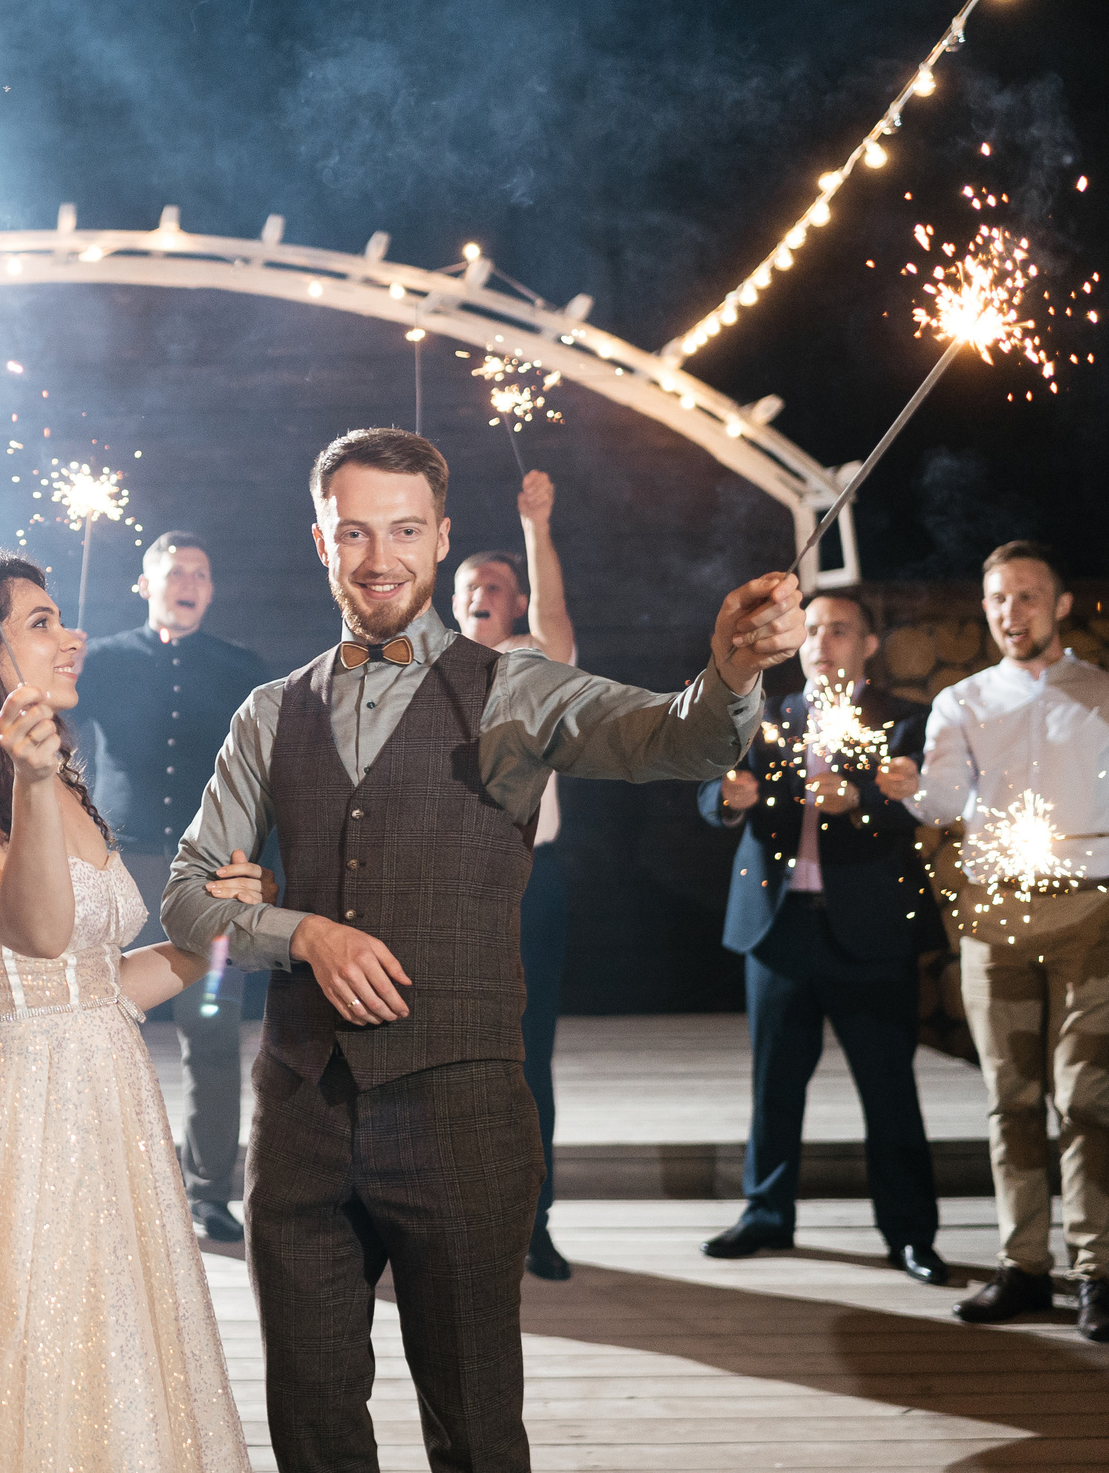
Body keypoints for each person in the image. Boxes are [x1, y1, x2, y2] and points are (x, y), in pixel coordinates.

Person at [164, 427, 800, 1473]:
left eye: (405, 531)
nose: (380, 558)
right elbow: (189, 895)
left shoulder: (514, 686)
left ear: (442, 536)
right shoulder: (269, 713)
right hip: (301, 1117)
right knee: (312, 1430)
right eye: (355, 532)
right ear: (320, 540)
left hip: (459, 1114)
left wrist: (731, 666)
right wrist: (302, 933)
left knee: (476, 1433)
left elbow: (674, 736)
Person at [0, 554, 251, 1472]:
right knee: (30, 1354)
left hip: (112, 1106)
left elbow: (95, 987)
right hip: (20, 1117)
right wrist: (33, 783)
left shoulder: (62, 785)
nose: (72, 636)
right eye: (39, 623)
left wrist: (215, 934)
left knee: (116, 1351)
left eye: (62, 618)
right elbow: (37, 931)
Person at [885, 540, 1109, 1340]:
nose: (1011, 612)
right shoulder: (963, 699)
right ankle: (1023, 1266)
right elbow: (945, 800)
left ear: (1060, 604)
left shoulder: (1101, 694)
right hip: (996, 916)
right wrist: (911, 790)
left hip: (1088, 912)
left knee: (1086, 1098)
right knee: (1009, 1097)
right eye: (998, 599)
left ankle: (1098, 1270)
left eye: (1026, 595)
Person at [695, 592, 946, 1283]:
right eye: (812, 631)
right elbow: (708, 789)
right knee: (774, 1084)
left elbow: (927, 802)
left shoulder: (907, 718)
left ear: (868, 645)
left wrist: (864, 799)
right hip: (778, 926)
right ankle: (766, 1213)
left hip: (870, 929)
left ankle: (910, 1233)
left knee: (889, 1087)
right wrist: (726, 798)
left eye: (839, 630)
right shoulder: (762, 712)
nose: (822, 643)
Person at [81, 530, 269, 1241]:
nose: (188, 583)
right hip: (117, 869)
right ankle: (94, 1183)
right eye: (175, 571)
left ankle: (209, 1190)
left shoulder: (240, 667)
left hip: (209, 876)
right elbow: (46, 716)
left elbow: (266, 770)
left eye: (201, 573)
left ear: (211, 590)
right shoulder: (100, 660)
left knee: (213, 1032)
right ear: (146, 584)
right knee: (92, 1024)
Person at [449, 469, 580, 1280]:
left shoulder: (536, 659)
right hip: (447, 885)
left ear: (516, 601)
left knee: (529, 1053)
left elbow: (556, 616)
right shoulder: (426, 667)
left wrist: (536, 527)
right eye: (469, 584)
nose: (480, 593)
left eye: (495, 585)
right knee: (446, 1049)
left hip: (530, 883)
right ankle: (451, 1218)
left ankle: (535, 1222)